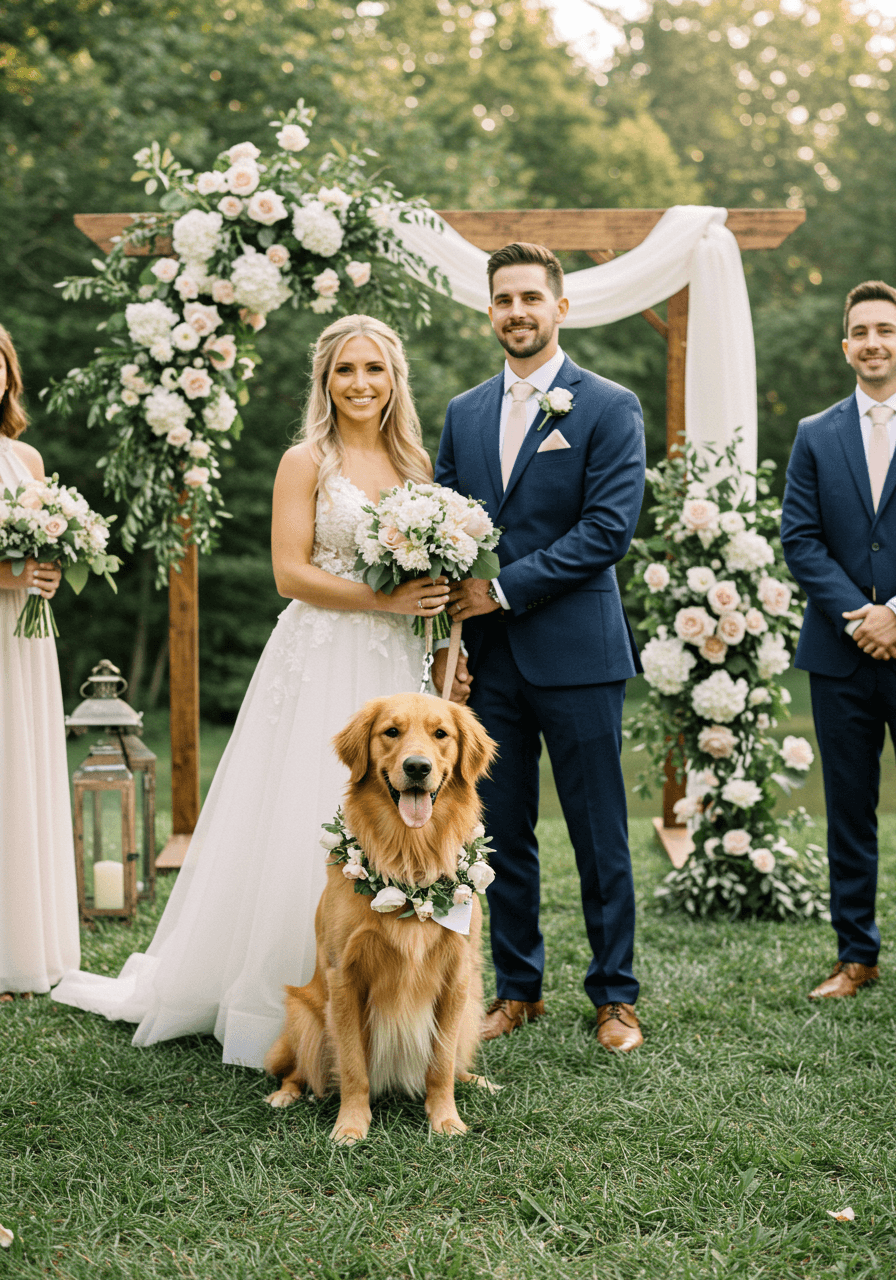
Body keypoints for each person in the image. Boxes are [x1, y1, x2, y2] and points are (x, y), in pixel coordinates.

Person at [54, 314, 450, 1065]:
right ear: (325, 382)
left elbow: (422, 580)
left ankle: (387, 998)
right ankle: (282, 994)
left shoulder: (416, 466)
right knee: (306, 810)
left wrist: (428, 644)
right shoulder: (306, 461)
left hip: (397, 662)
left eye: (374, 370)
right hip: (323, 651)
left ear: (395, 380)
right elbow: (289, 572)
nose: (360, 384)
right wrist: (382, 603)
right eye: (344, 371)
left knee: (394, 820)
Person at [432, 243, 647, 1052]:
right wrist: (455, 634)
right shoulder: (465, 411)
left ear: (560, 308)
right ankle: (518, 988)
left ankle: (615, 996)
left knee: (600, 831)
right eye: (502, 300)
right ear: (489, 311)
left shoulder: (607, 405)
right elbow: (448, 530)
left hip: (580, 654)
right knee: (501, 829)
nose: (515, 311)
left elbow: (606, 531)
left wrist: (505, 587)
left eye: (530, 298)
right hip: (490, 661)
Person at [781, 280, 896, 1000]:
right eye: (861, 331)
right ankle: (856, 955)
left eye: (886, 329)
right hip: (840, 653)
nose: (874, 341)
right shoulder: (814, 433)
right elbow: (801, 538)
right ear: (844, 343)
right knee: (849, 810)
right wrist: (863, 614)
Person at [0, 324, 80, 1002]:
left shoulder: (26, 462)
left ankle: (21, 947)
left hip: (21, 637)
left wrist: (45, 576)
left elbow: (39, 552)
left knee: (17, 771)